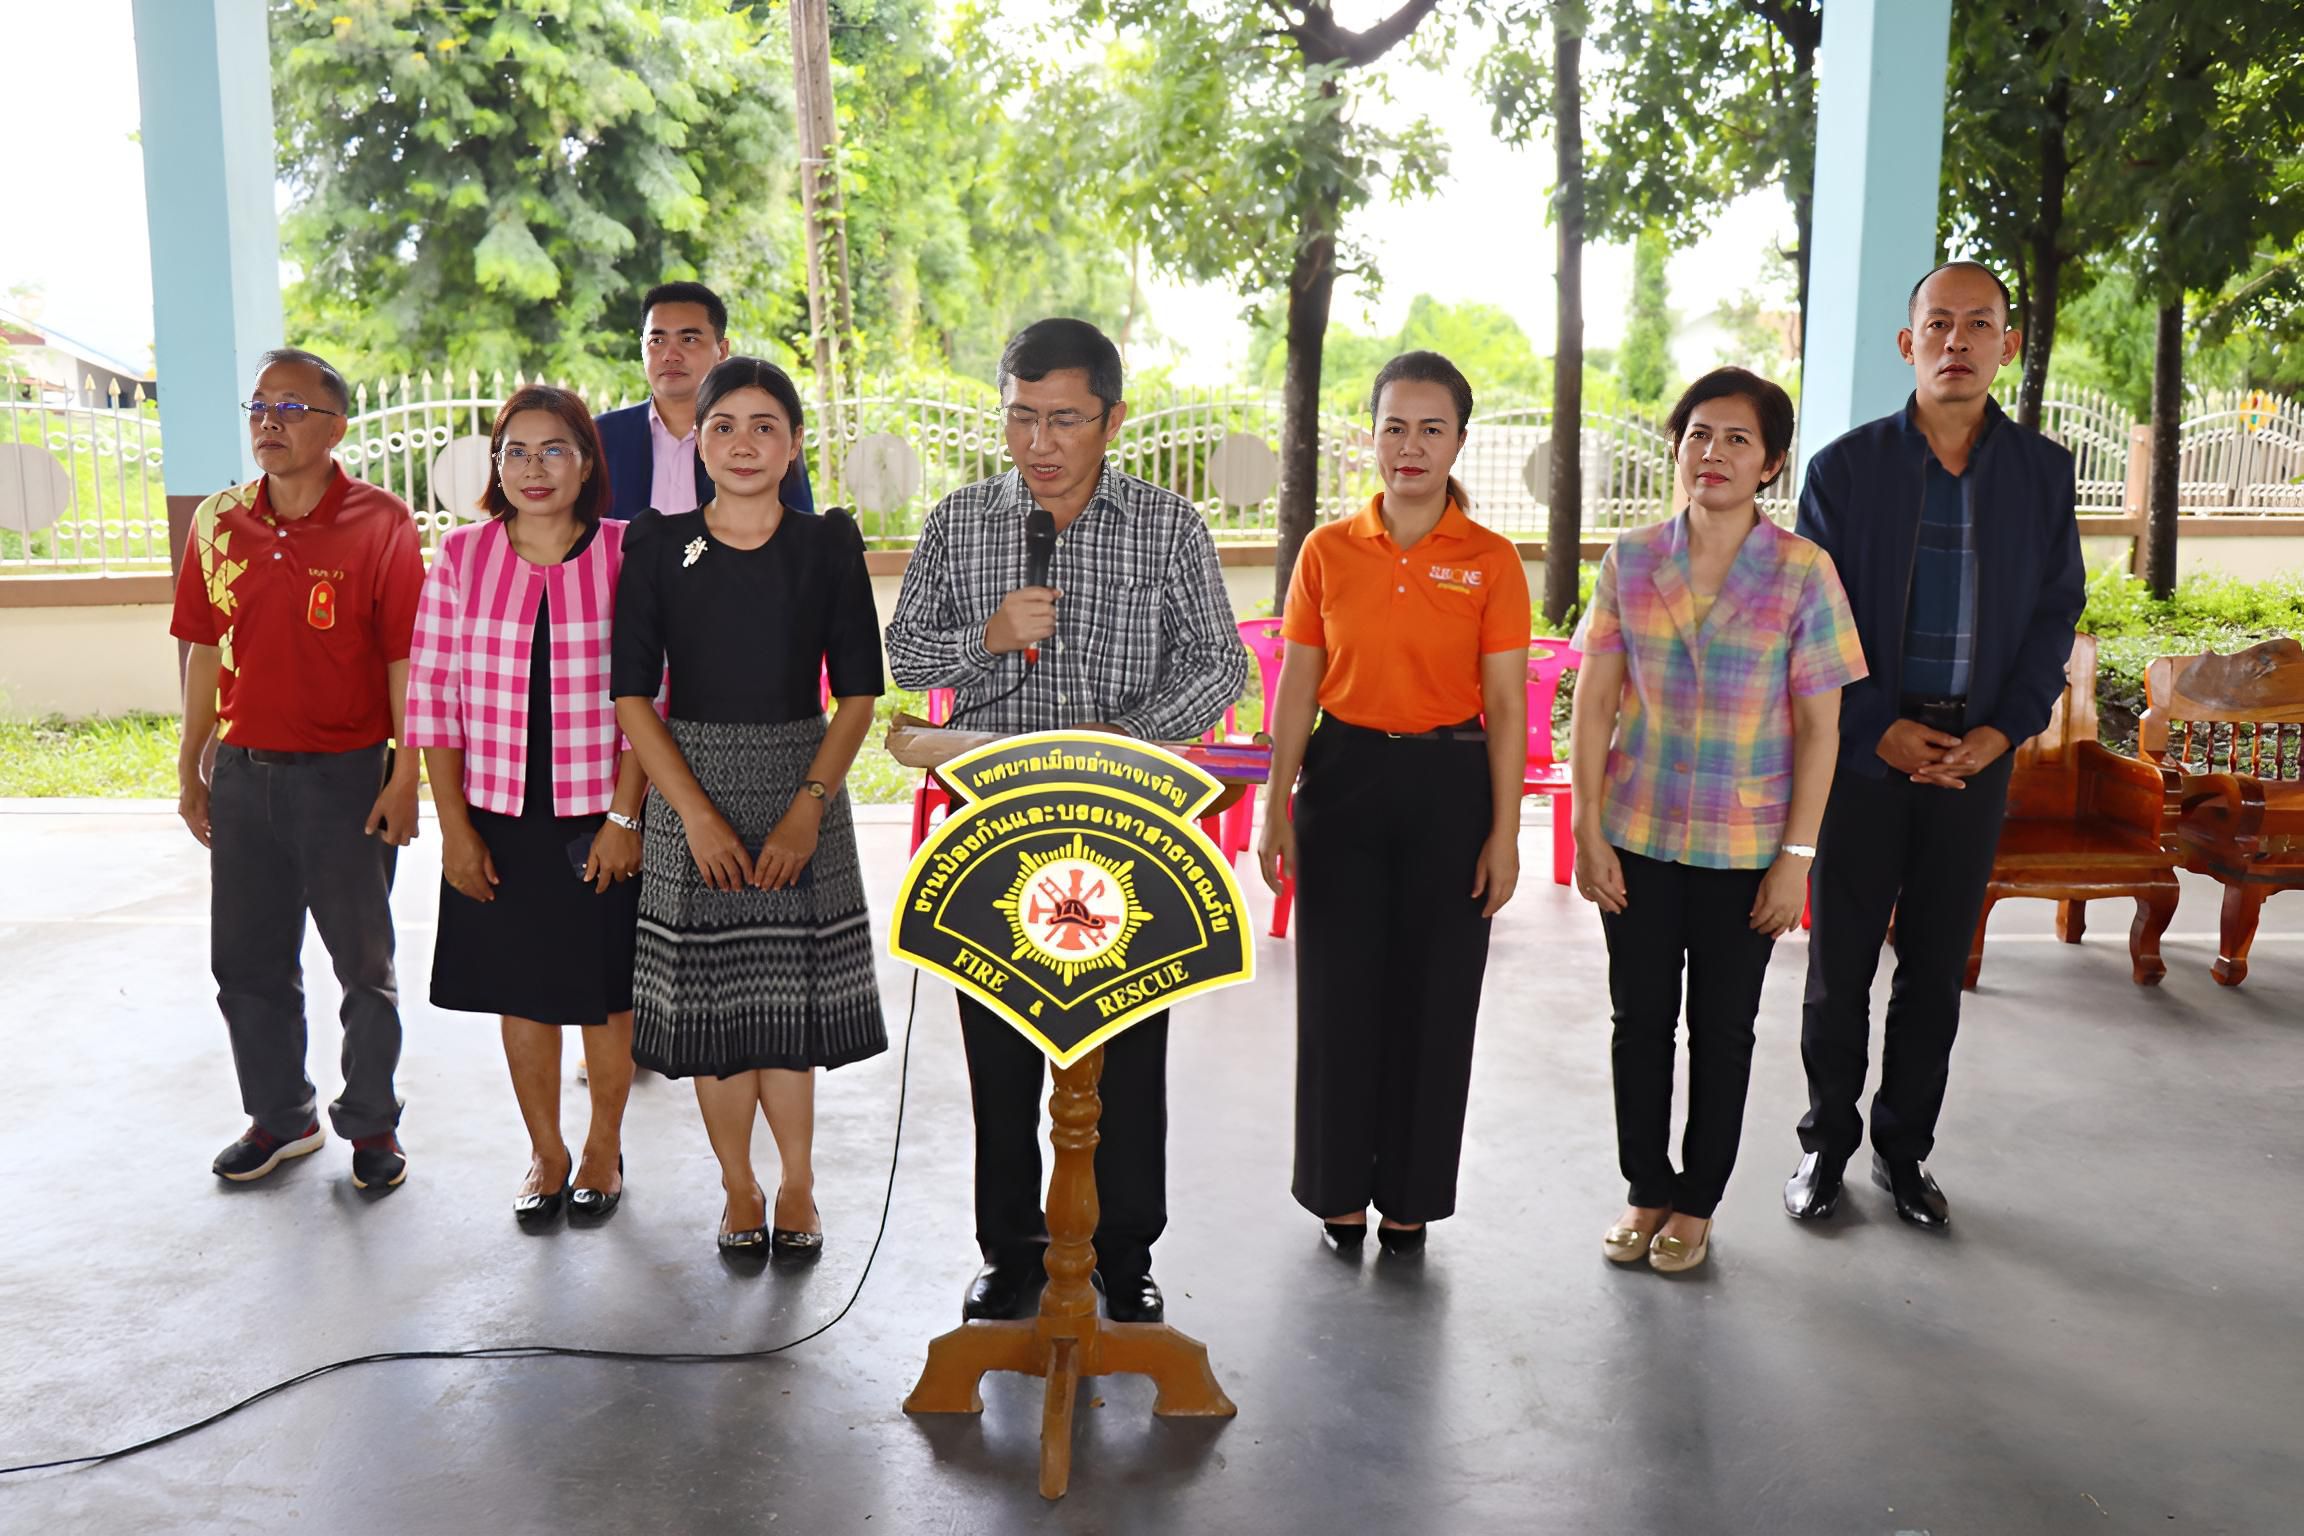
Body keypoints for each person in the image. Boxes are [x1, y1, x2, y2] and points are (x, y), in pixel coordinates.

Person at [885, 317, 1248, 1324]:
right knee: (1000, 1047)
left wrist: (1122, 737)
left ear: (1112, 420)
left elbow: (1221, 663)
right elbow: (905, 653)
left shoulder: (1167, 526)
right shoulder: (961, 522)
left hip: (1125, 831)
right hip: (994, 832)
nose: (1040, 443)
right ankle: (1009, 1251)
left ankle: (1125, 1253)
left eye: (1066, 420)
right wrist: (987, 636)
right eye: (1021, 417)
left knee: (1126, 1049)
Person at [1784, 261, 2084, 1231]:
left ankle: (1903, 1153)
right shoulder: (1845, 471)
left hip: (1975, 757)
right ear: (1908, 343)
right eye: (1940, 324)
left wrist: (2001, 731)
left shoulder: (2042, 474)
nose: (1958, 341)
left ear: (2009, 345)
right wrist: (1876, 725)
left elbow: (2055, 614)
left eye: (1980, 324)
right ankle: (1826, 1146)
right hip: (1865, 756)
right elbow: (1814, 617)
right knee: (1841, 967)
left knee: (1935, 965)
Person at [1568, 368, 1867, 1274]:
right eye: (1699, 433)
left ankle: (1697, 1201)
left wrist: (1797, 858)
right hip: (1639, 833)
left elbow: (1822, 728)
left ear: (1771, 463)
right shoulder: (1630, 560)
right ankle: (1645, 1186)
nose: (1714, 453)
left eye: (1739, 439)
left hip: (1746, 848)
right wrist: (1586, 829)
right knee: (1638, 1022)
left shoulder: (1804, 572)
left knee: (1723, 1031)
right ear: (1677, 446)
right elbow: (1595, 702)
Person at [611, 355, 887, 1257]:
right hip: (689, 788)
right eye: (723, 426)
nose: (743, 444)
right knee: (714, 1012)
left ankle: (798, 1185)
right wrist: (690, 814)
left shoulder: (827, 544)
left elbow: (857, 696)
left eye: (765, 426)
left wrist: (810, 806)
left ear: (794, 443)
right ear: (699, 443)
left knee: (786, 1010)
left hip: (802, 785)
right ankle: (739, 1187)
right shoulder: (658, 544)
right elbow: (632, 698)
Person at [1256, 351, 1530, 1257]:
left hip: (1451, 787)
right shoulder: (1327, 550)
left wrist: (1505, 833)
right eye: (1395, 427)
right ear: (1370, 436)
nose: (1411, 446)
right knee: (1337, 996)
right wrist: (1276, 805)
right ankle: (1336, 1190)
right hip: (1343, 780)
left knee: (1437, 1000)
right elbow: (1298, 687)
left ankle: (1411, 1197)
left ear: (1459, 441)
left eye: (1431, 429)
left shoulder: (1491, 560)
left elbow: (1507, 706)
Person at [172, 347, 425, 1191]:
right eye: (258, 406)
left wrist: (405, 774)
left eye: (291, 406)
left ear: (336, 427)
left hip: (347, 777)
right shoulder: (218, 521)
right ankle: (281, 1118)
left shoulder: (381, 521)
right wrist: (191, 766)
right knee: (246, 961)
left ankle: (372, 1124)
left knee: (364, 967)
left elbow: (403, 657)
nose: (269, 422)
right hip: (245, 775)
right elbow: (204, 648)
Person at [405, 386, 646, 1225]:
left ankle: (603, 1147)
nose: (533, 468)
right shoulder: (461, 556)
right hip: (498, 815)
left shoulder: (626, 551)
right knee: (522, 992)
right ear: (496, 465)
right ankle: (547, 1150)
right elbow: (432, 698)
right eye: (515, 451)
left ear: (586, 464)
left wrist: (625, 819)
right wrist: (455, 830)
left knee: (605, 994)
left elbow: (653, 696)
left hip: (598, 816)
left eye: (553, 451)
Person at [594, 281, 814, 521]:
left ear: (722, 350)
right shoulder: (601, 436)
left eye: (688, 339)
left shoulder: (763, 434)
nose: (670, 356)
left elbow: (799, 526)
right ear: (642, 348)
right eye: (657, 341)